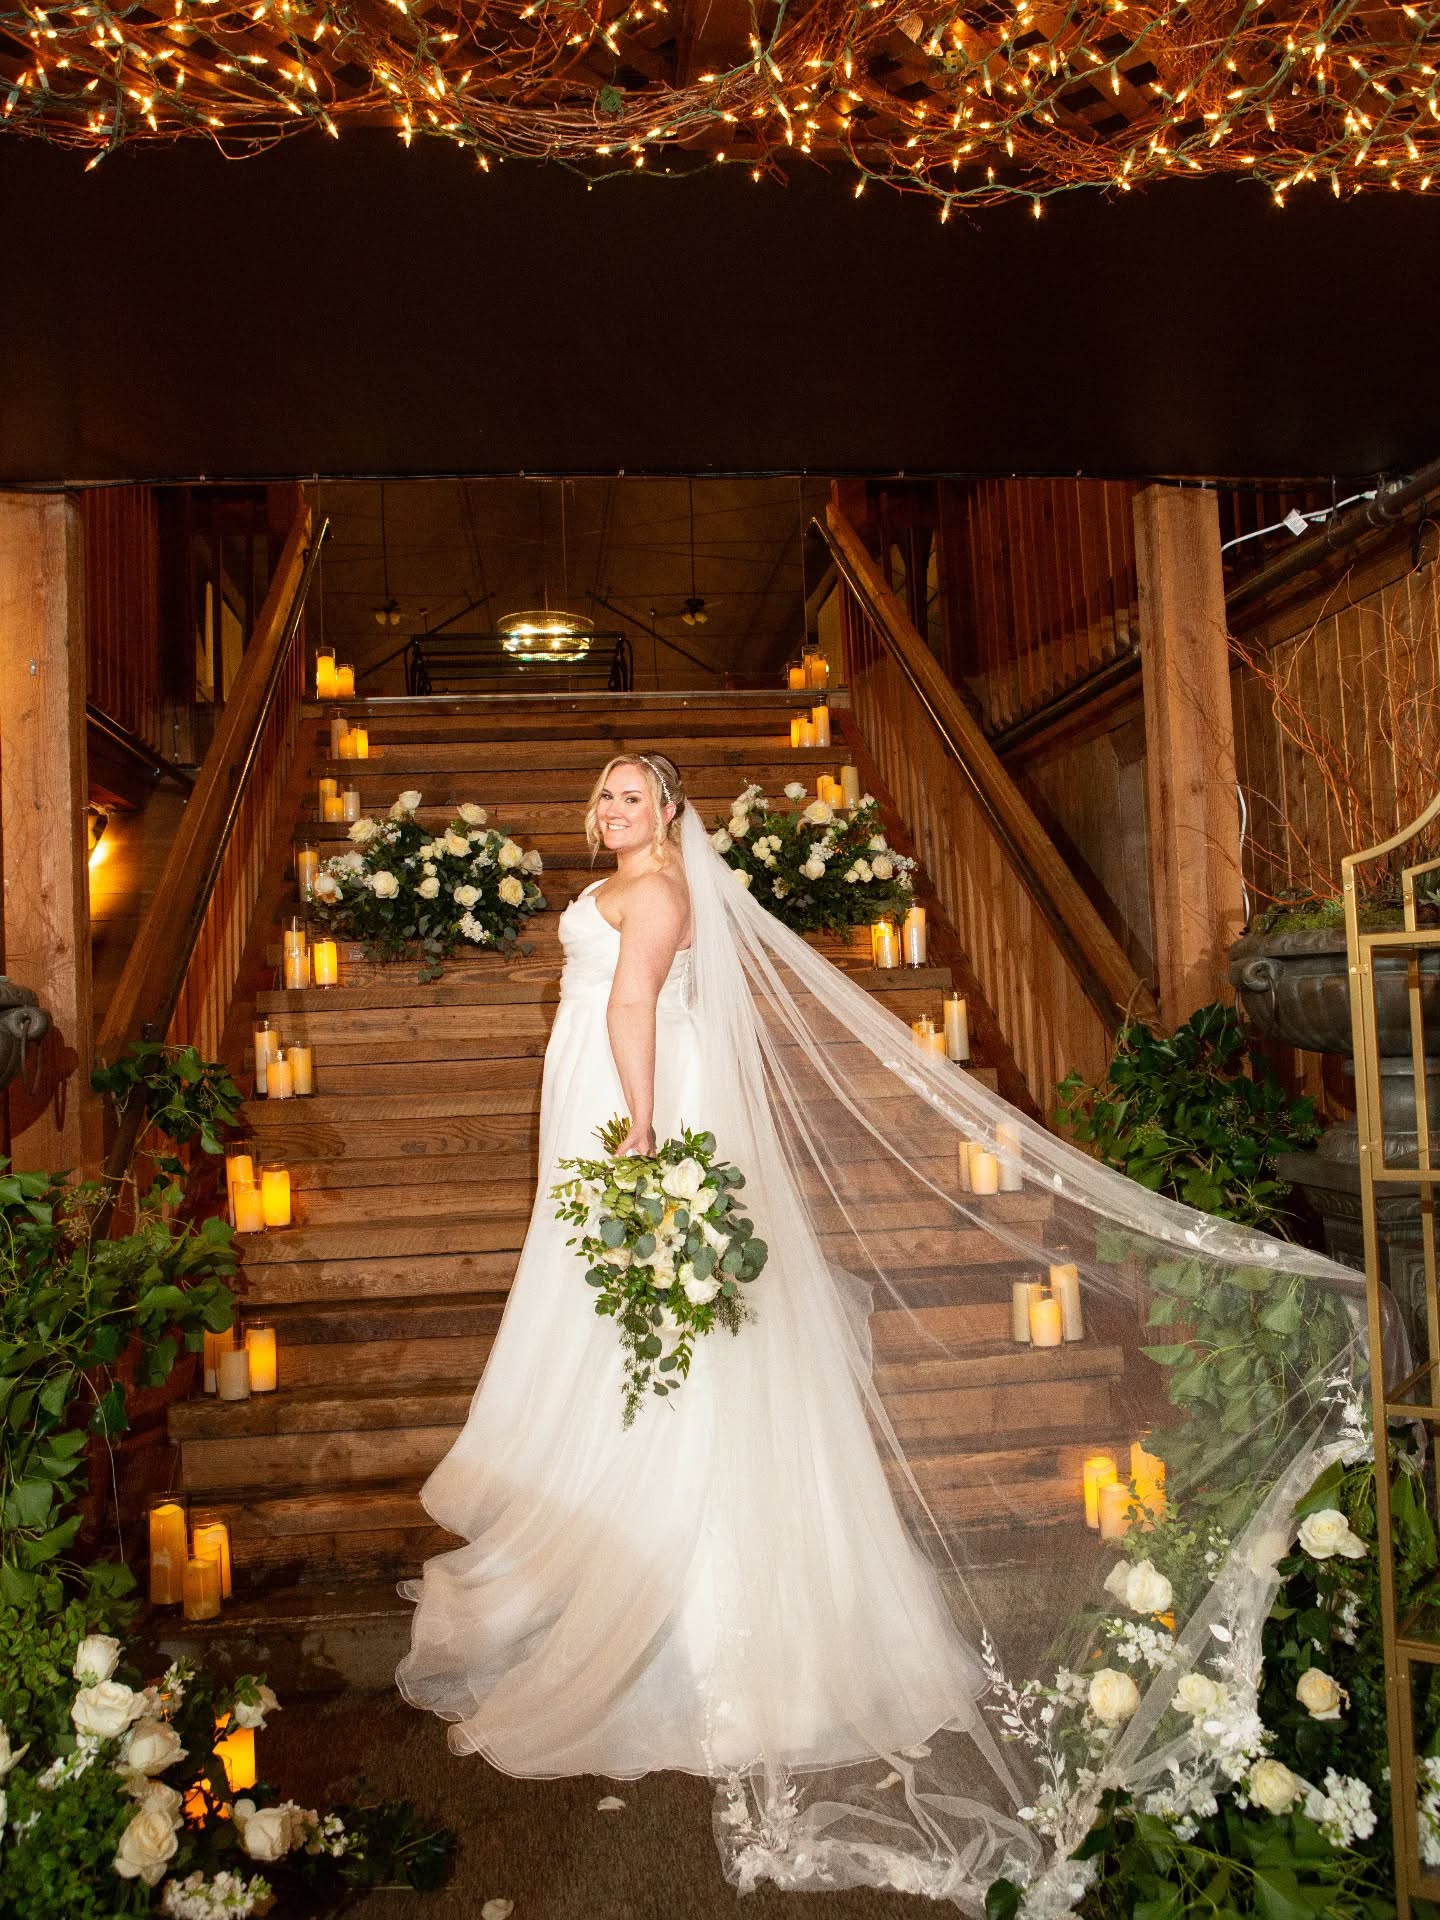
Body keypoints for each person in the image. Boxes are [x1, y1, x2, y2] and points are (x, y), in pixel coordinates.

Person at [398, 749, 1366, 1910]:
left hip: (635, 1102)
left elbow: (634, 1004)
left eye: (632, 796)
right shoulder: (638, 884)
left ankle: (680, 1605)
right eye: (603, 794)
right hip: (609, 1090)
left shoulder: (655, 893)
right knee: (639, 1329)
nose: (611, 810)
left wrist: (639, 1138)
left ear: (669, 812)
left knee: (667, 1334)